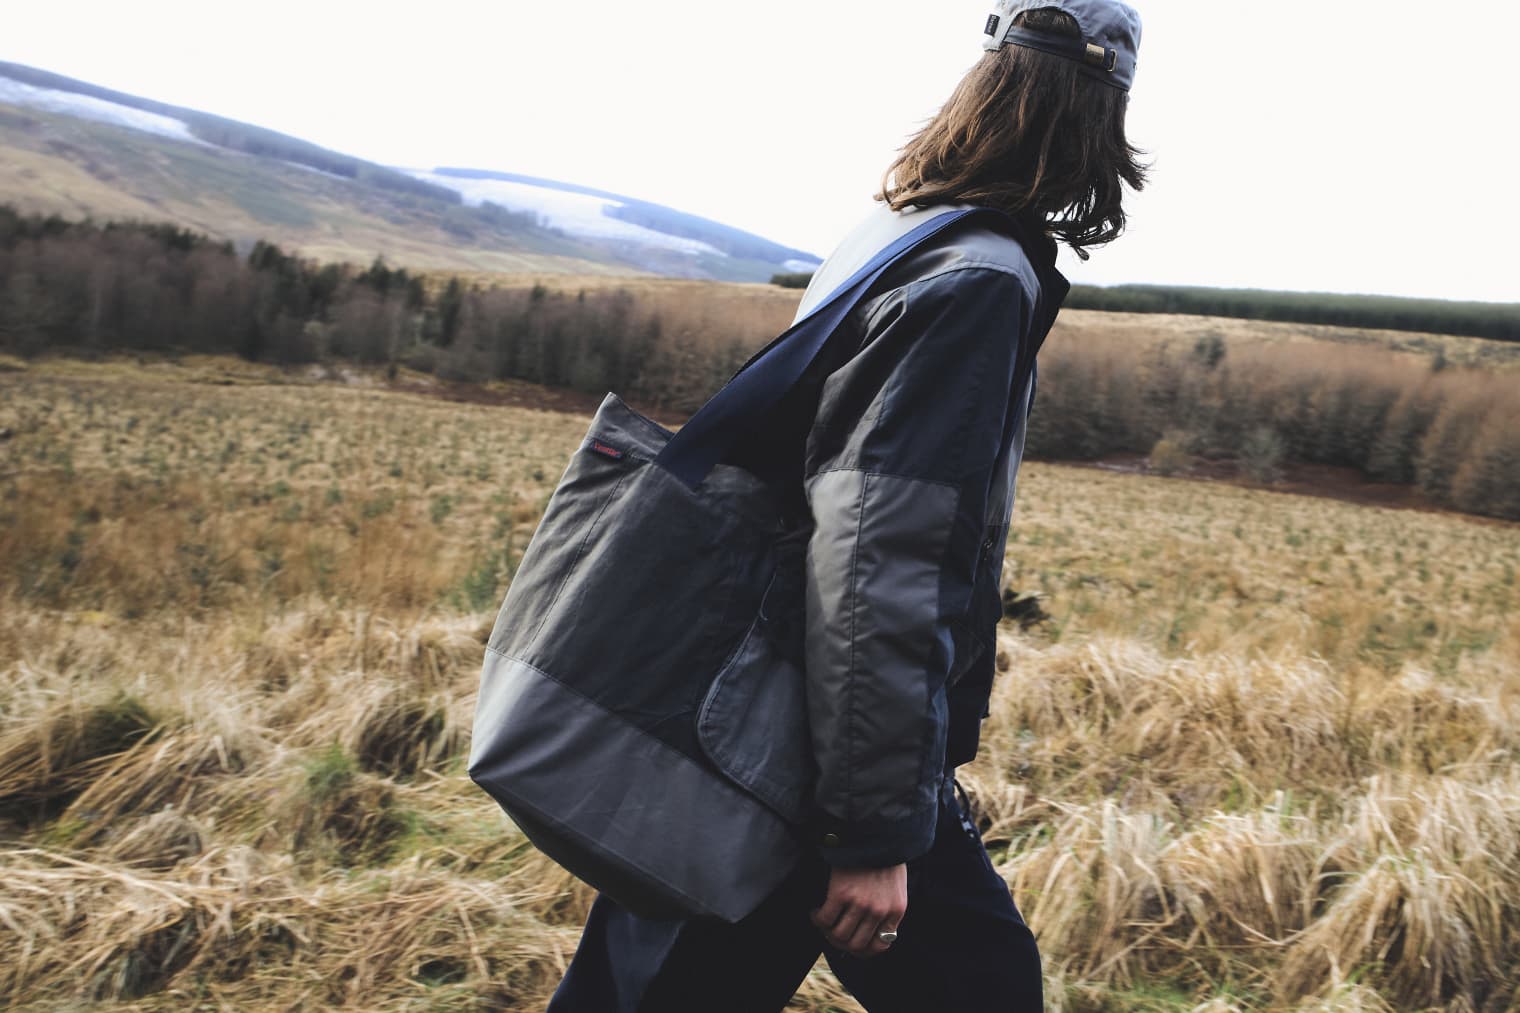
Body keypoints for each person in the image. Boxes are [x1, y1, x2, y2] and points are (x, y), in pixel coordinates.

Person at [546, 2, 1146, 1009]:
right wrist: (868, 832)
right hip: (795, 751)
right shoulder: (977, 278)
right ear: (1097, 118)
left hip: (748, 711)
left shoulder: (903, 232)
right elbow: (877, 555)